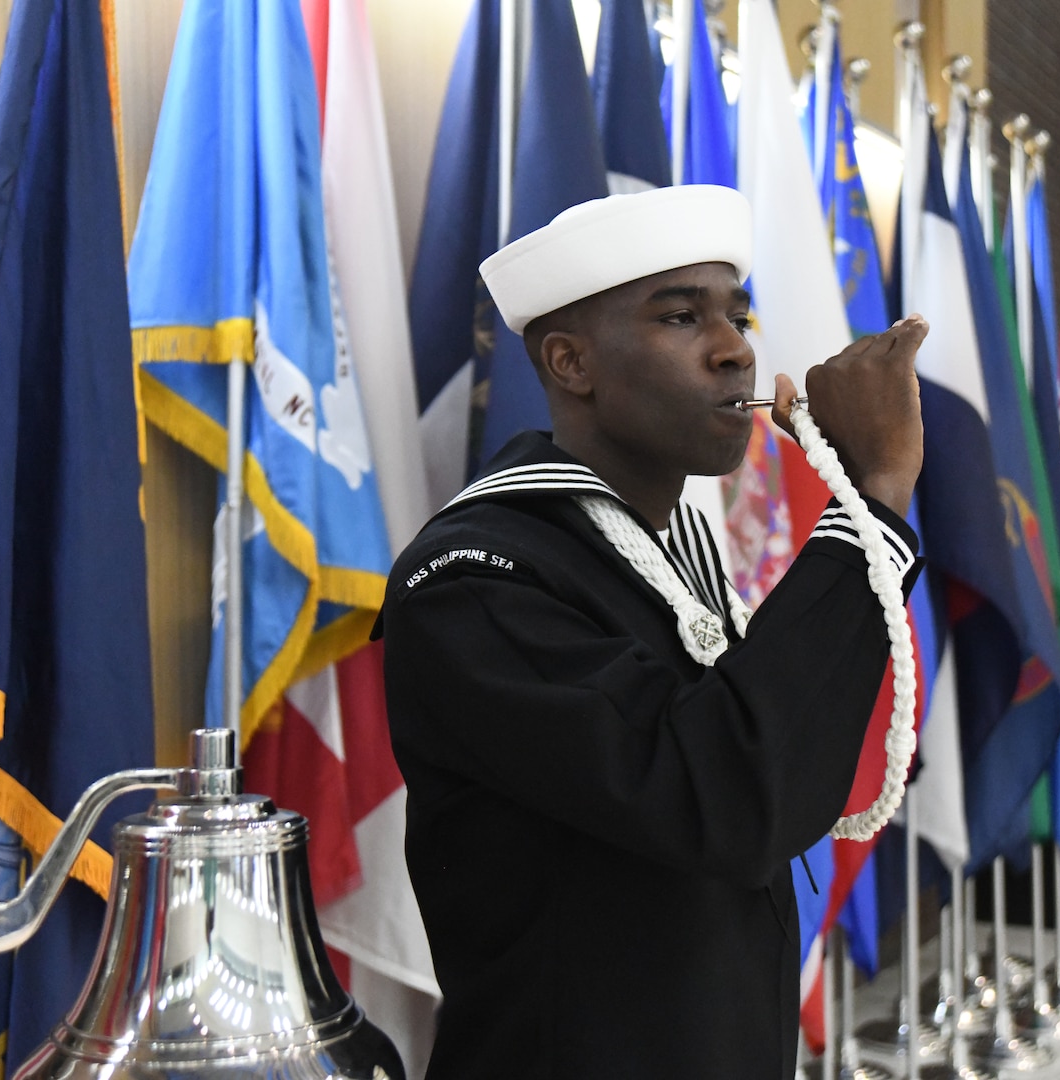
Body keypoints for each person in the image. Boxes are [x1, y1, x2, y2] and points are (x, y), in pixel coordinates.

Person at [377, 184, 928, 1079]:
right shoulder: (477, 579)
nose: (734, 351)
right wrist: (870, 502)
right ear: (570, 362)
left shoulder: (668, 553)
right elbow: (730, 796)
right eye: (681, 317)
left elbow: (777, 769)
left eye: (738, 317)